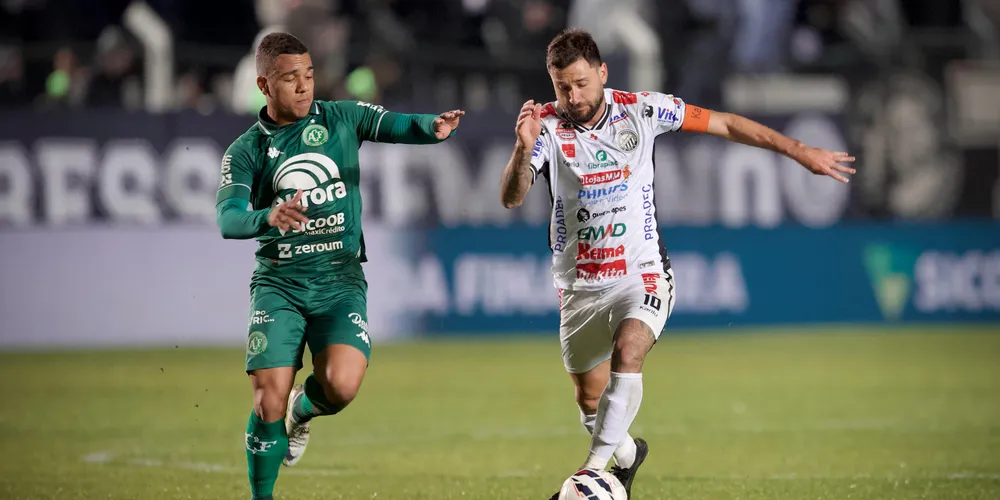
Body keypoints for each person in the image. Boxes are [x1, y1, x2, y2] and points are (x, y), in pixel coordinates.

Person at [499, 29, 855, 499]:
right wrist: (522, 148)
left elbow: (725, 123)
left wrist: (800, 151)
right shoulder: (543, 125)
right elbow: (512, 197)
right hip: (579, 286)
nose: (573, 96)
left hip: (640, 273)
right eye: (562, 86)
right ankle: (625, 459)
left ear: (602, 72)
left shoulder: (642, 110)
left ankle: (588, 477)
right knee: (590, 401)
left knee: (630, 351)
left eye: (582, 83)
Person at [216, 32, 464, 500]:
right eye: (290, 79)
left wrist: (433, 126)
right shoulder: (245, 150)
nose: (304, 86)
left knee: (342, 386)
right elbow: (228, 219)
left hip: (340, 280)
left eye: (308, 75)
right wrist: (266, 215)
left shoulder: (341, 117)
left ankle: (301, 413)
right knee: (267, 394)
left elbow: (395, 124)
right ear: (264, 87)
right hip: (280, 284)